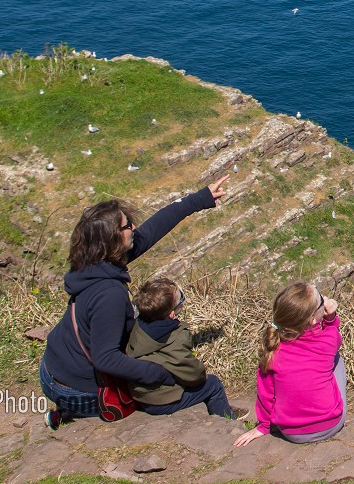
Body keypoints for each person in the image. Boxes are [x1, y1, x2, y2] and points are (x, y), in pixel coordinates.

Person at [39, 175, 229, 429]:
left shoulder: (93, 263)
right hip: (75, 388)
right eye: (128, 225)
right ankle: (77, 410)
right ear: (112, 239)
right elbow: (105, 359)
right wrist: (157, 374)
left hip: (56, 367)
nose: (134, 228)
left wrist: (199, 199)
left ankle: (66, 412)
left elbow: (150, 232)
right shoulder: (109, 294)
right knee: (162, 391)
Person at [234, 281, 347, 447]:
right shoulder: (328, 340)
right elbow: (334, 337)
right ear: (312, 319)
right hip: (330, 424)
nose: (324, 299)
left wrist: (264, 426)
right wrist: (331, 319)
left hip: (290, 432)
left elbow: (266, 393)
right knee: (336, 359)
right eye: (321, 301)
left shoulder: (273, 350)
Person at [125, 277, 234, 418]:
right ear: (171, 314)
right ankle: (227, 419)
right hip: (161, 401)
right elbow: (193, 374)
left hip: (141, 394)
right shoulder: (174, 338)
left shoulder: (138, 325)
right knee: (213, 384)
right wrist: (199, 372)